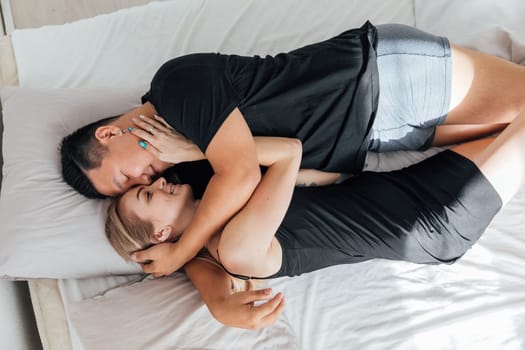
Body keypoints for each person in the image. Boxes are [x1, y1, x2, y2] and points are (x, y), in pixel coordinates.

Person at [61, 22, 525, 277]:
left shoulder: (176, 90)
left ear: (107, 135)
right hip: (382, 139)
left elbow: (245, 174)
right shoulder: (198, 175)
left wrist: (180, 254)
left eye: (126, 178)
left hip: (380, 84)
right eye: (139, 189)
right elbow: (199, 231)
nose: (148, 178)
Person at [105, 99, 525, 327]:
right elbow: (289, 153)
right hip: (433, 218)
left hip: (405, 190)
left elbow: (313, 179)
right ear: (161, 233)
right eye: (147, 195)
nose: (159, 181)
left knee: (514, 109)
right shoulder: (233, 247)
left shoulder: (216, 216)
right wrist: (193, 150)